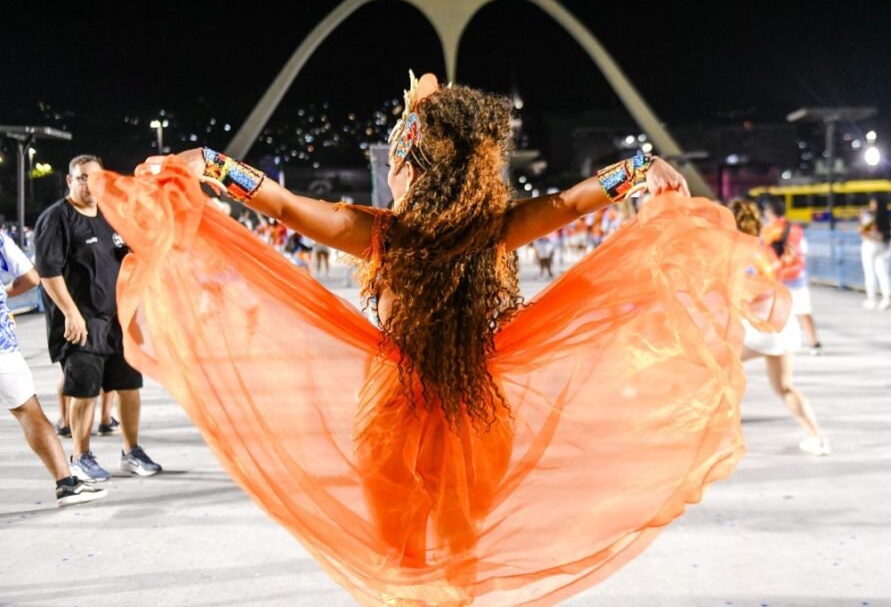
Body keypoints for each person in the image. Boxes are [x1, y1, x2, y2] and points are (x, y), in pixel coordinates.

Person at [91, 72, 786, 605]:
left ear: (414, 166)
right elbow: (572, 201)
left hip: (398, 410)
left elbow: (281, 203)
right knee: (460, 551)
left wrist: (210, 162)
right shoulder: (492, 230)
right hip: (474, 410)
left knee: (402, 557)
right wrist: (638, 169)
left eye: (398, 156)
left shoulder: (381, 233)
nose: (391, 170)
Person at [34, 155, 162, 483]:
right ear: (70, 180)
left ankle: (131, 451)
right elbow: (48, 272)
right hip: (82, 322)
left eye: (94, 178)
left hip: (116, 321)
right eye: (82, 178)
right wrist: (71, 314)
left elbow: (128, 256)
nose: (89, 185)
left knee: (129, 386)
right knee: (85, 392)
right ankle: (81, 456)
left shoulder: (109, 216)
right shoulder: (57, 218)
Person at [0, 231, 107, 506]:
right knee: (29, 413)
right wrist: (4, 293)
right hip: (2, 349)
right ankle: (66, 484)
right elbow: (31, 277)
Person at [730, 199, 830, 456]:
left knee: (715, 368)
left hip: (757, 329)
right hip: (784, 324)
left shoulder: (731, 256)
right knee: (785, 386)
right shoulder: (764, 251)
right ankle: (817, 437)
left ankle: (722, 429)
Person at [760, 195, 823, 354]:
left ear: (769, 212)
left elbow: (762, 253)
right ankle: (814, 344)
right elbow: (803, 250)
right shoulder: (795, 229)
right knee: (804, 310)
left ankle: (781, 344)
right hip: (796, 275)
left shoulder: (767, 231)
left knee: (778, 313)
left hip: (776, 275)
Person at [859, 194, 891, 310]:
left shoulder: (869, 215)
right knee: (883, 273)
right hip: (883, 245)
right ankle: (886, 299)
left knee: (870, 273)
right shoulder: (886, 216)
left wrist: (861, 219)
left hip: (870, 245)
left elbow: (865, 232)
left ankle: (871, 299)